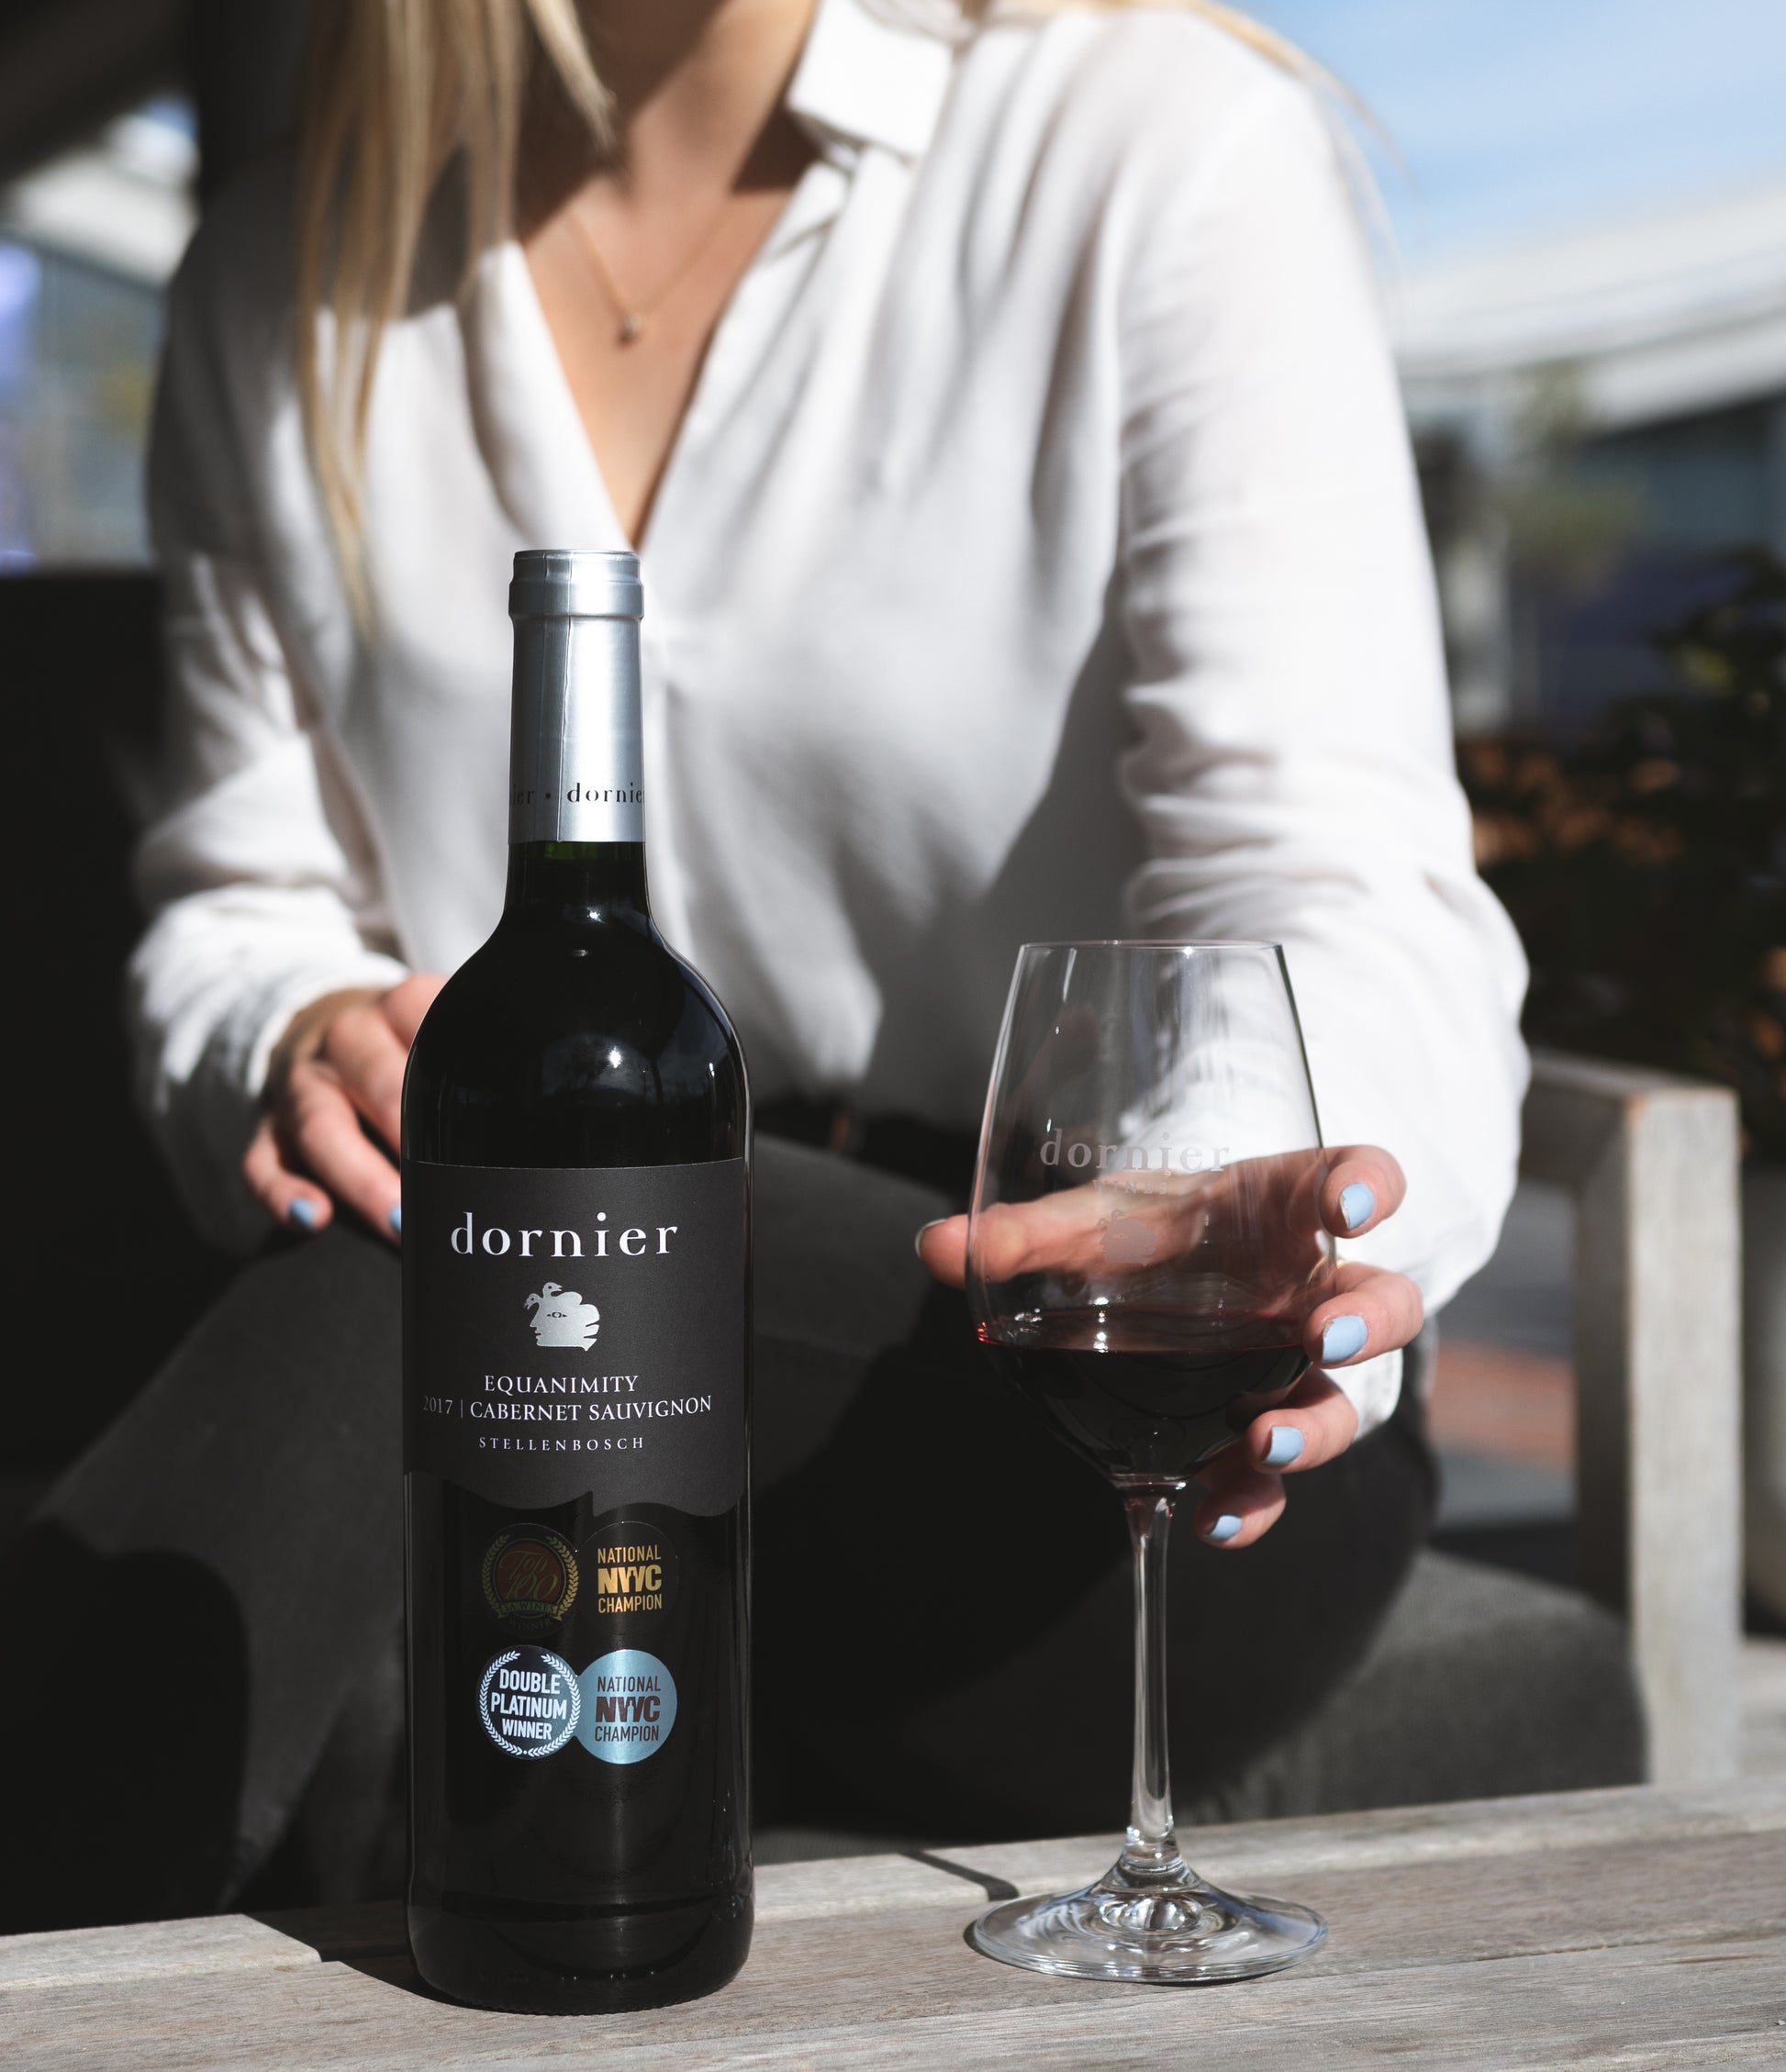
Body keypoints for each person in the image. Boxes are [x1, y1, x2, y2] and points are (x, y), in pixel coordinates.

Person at [0, 0, 1525, 1928]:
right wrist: (291, 1025)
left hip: (1024, 1413)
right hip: (556, 1430)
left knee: (482, 1235)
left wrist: (1206, 1208)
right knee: (481, 1227)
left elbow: (1330, 874)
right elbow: (242, 892)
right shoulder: (285, 280)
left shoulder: (1146, 147)